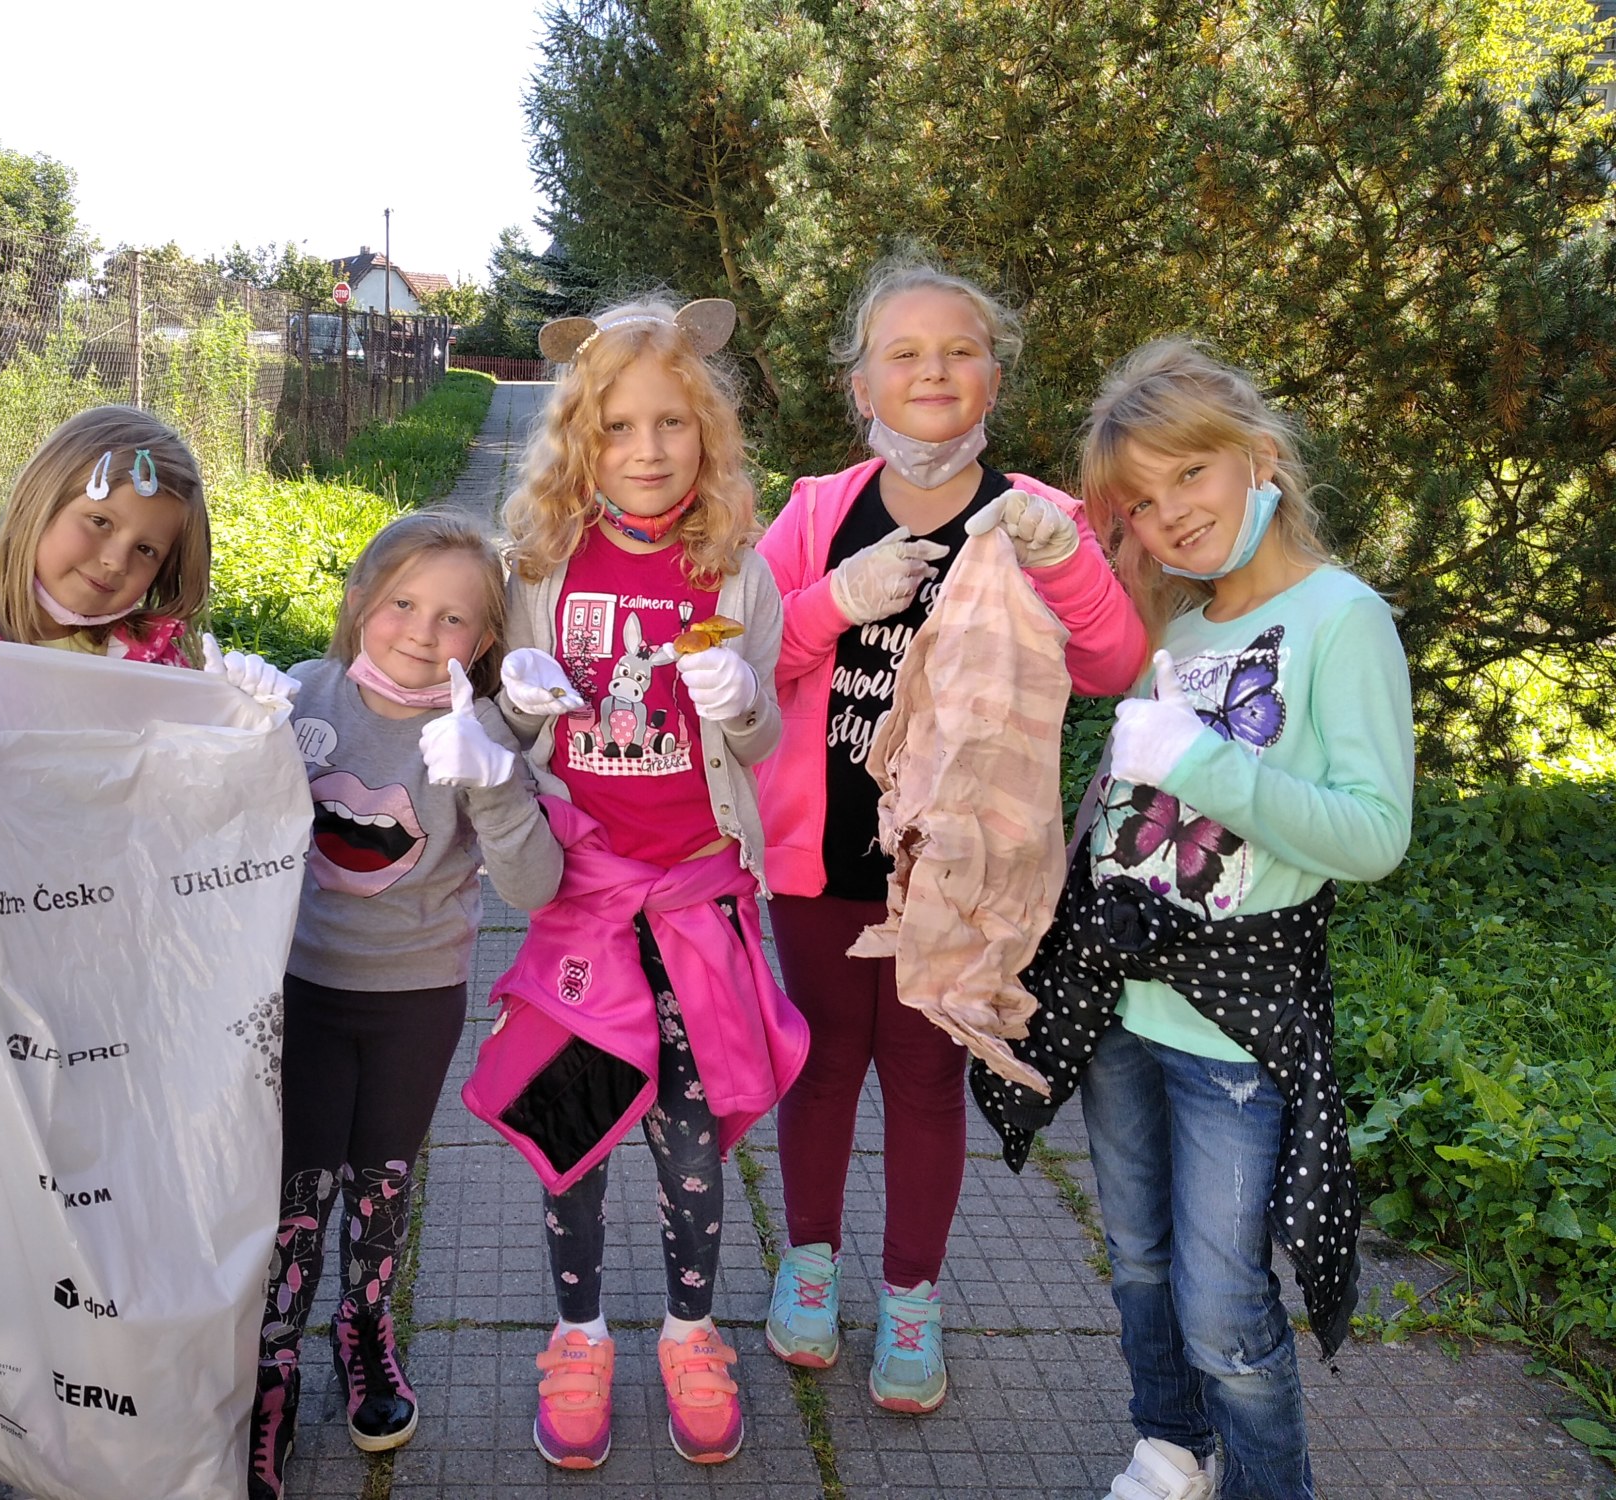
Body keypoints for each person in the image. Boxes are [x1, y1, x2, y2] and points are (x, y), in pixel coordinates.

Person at [973, 339, 1414, 1500]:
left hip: (1233, 1029)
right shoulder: (1175, 627)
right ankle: (1172, 1445)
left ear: (1256, 458)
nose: (1168, 513)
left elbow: (1372, 835)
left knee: (1221, 1303)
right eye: (1140, 499)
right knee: (1135, 1257)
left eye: (1188, 475)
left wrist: (1202, 763)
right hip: (1121, 1007)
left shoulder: (1339, 618)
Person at [754, 259, 1146, 1412]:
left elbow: (1112, 664)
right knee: (821, 1069)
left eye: (958, 350)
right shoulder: (816, 511)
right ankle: (809, 1266)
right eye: (903, 353)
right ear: (859, 386)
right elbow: (739, 659)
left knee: (925, 1082)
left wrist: (1058, 559)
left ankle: (911, 1296)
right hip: (824, 858)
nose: (932, 370)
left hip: (965, 874)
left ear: (992, 378)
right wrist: (835, 599)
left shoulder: (1036, 517)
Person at [488, 297, 807, 1469]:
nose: (647, 449)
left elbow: (759, 739)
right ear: (581, 435)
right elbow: (502, 729)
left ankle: (687, 1332)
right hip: (585, 904)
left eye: (671, 422)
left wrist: (746, 704)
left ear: (705, 430)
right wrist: (514, 706)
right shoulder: (536, 567)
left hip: (694, 902)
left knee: (690, 1139)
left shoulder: (736, 571)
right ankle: (578, 1337)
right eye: (618, 426)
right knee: (570, 1131)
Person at [246, 512, 563, 1494]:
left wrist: (495, 776)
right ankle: (270, 1360)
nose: (423, 634)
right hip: (296, 989)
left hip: (415, 997)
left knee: (382, 1175)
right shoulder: (299, 695)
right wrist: (220, 716)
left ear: (487, 639)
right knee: (296, 1185)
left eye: (454, 618)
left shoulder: (483, 729)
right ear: (358, 602)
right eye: (402, 604)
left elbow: (535, 885)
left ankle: (365, 1327)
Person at [0, 405, 294, 828]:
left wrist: (237, 719)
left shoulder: (156, 663)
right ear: (39, 503)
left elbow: (194, 807)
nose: (115, 561)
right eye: (100, 522)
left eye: (147, 550)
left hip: (108, 896)